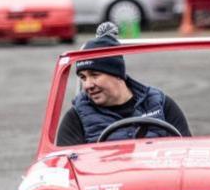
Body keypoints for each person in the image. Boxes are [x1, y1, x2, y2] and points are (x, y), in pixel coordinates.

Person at [56, 22, 191, 145]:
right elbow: (65, 165)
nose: (87, 85)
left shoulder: (160, 104)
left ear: (118, 74)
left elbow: (186, 151)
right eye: (83, 77)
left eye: (94, 75)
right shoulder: (76, 118)